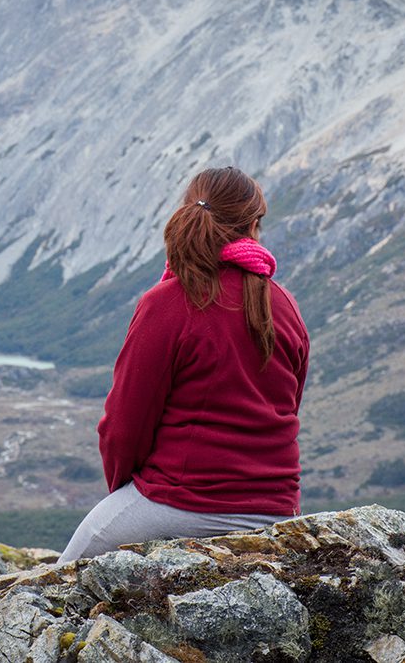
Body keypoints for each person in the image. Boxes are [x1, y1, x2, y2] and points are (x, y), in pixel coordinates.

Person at [59, 166, 309, 563]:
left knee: (62, 580)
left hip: (184, 502)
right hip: (276, 508)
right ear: (254, 224)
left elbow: (123, 426)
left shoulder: (168, 302)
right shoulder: (285, 304)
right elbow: (288, 404)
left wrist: (128, 492)